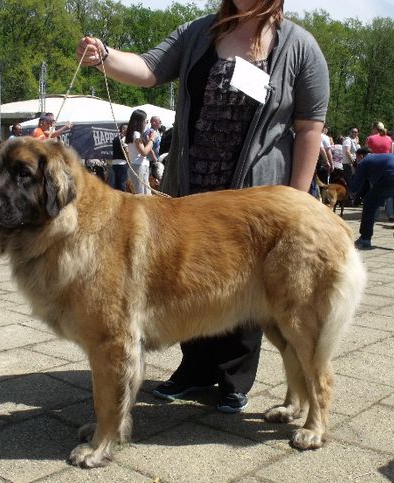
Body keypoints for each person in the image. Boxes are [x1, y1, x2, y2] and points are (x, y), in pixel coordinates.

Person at [76, 0, 329, 413]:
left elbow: (309, 127)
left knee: (253, 298)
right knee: (189, 284)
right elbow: (149, 68)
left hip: (255, 196)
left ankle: (233, 379)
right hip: (192, 187)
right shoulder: (199, 32)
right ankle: (194, 369)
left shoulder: (300, 47)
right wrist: (105, 56)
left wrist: (298, 201)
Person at [351, 147, 394, 252]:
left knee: (369, 202)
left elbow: (354, 188)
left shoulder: (364, 162)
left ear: (360, 156)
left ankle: (365, 238)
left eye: (356, 159)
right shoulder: (380, 157)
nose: (356, 161)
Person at [125, 109, 156, 195]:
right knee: (142, 196)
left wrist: (147, 141)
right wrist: (152, 140)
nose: (147, 122)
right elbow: (144, 152)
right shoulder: (136, 134)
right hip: (139, 167)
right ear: (140, 121)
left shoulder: (134, 134)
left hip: (138, 166)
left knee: (144, 194)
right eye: (146, 120)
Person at [109, 123, 129, 191]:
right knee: (122, 184)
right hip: (122, 164)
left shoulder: (116, 138)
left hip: (114, 164)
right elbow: (127, 151)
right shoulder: (124, 139)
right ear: (123, 129)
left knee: (116, 185)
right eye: (127, 129)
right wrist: (130, 161)